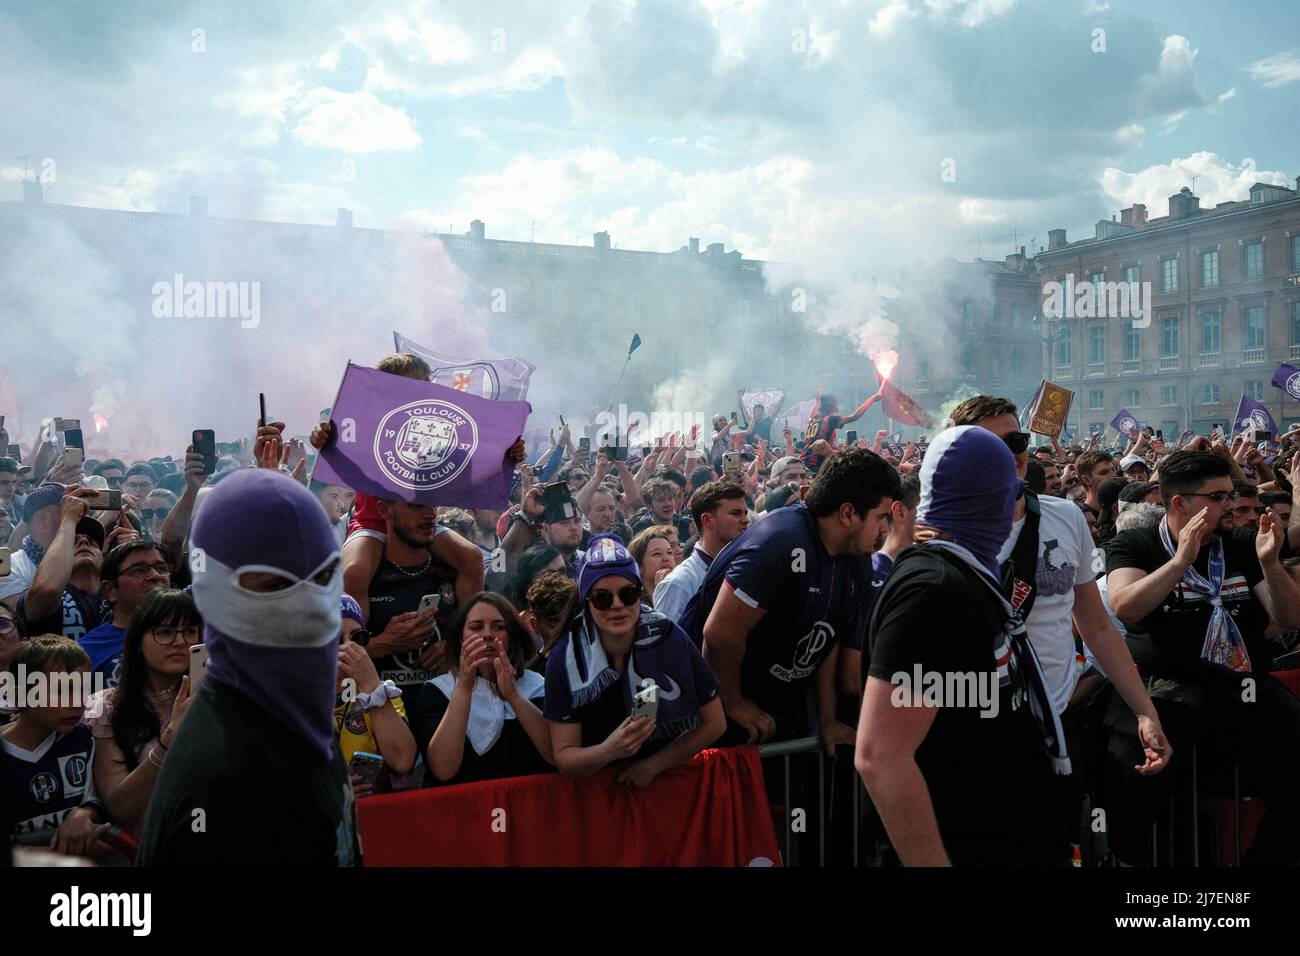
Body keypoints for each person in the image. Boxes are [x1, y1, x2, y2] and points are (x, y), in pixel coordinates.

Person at [855, 426, 1074, 866]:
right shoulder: (934, 591)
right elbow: (882, 756)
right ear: (989, 502)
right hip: (967, 845)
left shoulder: (963, 576)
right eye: (1010, 498)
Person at [138, 469, 355, 866]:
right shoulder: (232, 788)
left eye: (324, 576)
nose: (307, 606)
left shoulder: (295, 719)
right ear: (213, 593)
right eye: (274, 585)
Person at [1105, 450, 1300, 864]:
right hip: (1168, 691)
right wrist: (1180, 563)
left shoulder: (1244, 543)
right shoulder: (1135, 543)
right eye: (1219, 497)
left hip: (1244, 689)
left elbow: (1289, 616)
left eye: (1231, 495)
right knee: (1131, 784)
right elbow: (1125, 606)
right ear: (1181, 503)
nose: (1232, 506)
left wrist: (1271, 564)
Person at [695, 447, 898, 745]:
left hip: (780, 711)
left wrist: (826, 720)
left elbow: (827, 638)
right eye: (881, 516)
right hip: (724, 715)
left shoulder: (856, 556)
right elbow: (720, 634)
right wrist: (733, 701)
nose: (885, 528)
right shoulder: (780, 541)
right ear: (847, 513)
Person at [544, 534, 725, 786]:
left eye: (628, 594)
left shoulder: (668, 636)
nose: (617, 606)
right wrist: (610, 750)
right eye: (602, 598)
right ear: (587, 601)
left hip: (666, 786)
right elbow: (564, 756)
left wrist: (653, 766)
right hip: (597, 796)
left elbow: (714, 723)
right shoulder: (566, 657)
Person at [85, 589, 198, 837]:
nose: (180, 642)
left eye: (189, 631)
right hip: (146, 848)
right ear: (137, 642)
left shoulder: (214, 700)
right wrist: (169, 740)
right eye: (165, 632)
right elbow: (120, 806)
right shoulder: (108, 707)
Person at [411, 592, 553, 786]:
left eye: (499, 627)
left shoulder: (536, 685)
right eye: (476, 627)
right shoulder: (438, 691)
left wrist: (513, 696)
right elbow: (443, 769)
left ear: (512, 635)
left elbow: (556, 754)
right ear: (460, 637)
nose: (487, 634)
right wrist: (464, 688)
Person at [2, 636, 111, 857]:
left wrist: (84, 814)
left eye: (82, 689)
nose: (76, 702)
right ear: (19, 695)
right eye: (60, 691)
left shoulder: (84, 741)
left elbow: (95, 801)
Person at [359, 499, 459, 691]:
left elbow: (483, 635)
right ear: (384, 509)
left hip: (445, 714)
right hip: (378, 714)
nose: (431, 514)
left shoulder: (457, 569)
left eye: (433, 503)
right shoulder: (361, 576)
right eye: (416, 504)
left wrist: (455, 647)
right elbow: (329, 662)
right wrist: (380, 645)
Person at [335, 595, 416, 795]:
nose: (348, 647)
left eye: (357, 638)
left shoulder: (379, 691)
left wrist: (371, 685)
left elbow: (403, 761)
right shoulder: (292, 695)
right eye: (336, 639)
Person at [16, 487, 111, 642]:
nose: (84, 541)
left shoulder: (117, 594)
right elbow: (47, 590)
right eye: (73, 540)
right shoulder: (35, 594)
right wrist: (68, 520)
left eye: (93, 542)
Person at [653, 481, 749, 622]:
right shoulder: (678, 584)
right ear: (707, 520)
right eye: (736, 513)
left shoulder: (745, 569)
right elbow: (671, 642)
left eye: (745, 513)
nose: (745, 520)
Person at [81, 541, 173, 686]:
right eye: (139, 570)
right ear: (110, 590)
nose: (155, 576)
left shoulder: (192, 635)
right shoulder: (86, 652)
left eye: (162, 568)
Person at [802, 388, 884, 473]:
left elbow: (810, 417)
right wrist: (872, 399)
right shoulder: (829, 419)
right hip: (814, 466)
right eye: (836, 403)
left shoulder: (814, 419)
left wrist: (818, 401)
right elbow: (855, 416)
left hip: (803, 463)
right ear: (833, 406)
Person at [522, 571, 577, 668]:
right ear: (535, 625)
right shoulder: (531, 676)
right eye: (554, 627)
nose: (565, 633)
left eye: (570, 624)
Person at [628, 526, 677, 605]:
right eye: (657, 554)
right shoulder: (634, 603)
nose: (666, 558)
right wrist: (661, 591)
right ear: (639, 566)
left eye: (669, 553)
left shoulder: (681, 592)